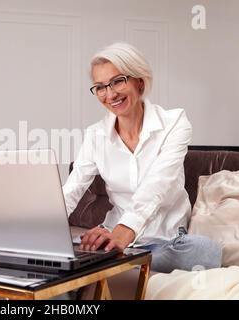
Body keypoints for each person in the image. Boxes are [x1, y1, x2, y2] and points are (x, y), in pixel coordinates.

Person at [63, 42, 221, 273]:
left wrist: (125, 230)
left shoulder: (174, 122)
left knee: (205, 252)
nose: (110, 94)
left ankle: (111, 263)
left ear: (139, 81)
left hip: (165, 239)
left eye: (118, 81)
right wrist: (42, 233)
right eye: (100, 87)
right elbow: (73, 188)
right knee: (58, 260)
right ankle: (111, 261)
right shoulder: (95, 135)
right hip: (113, 237)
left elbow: (157, 183)